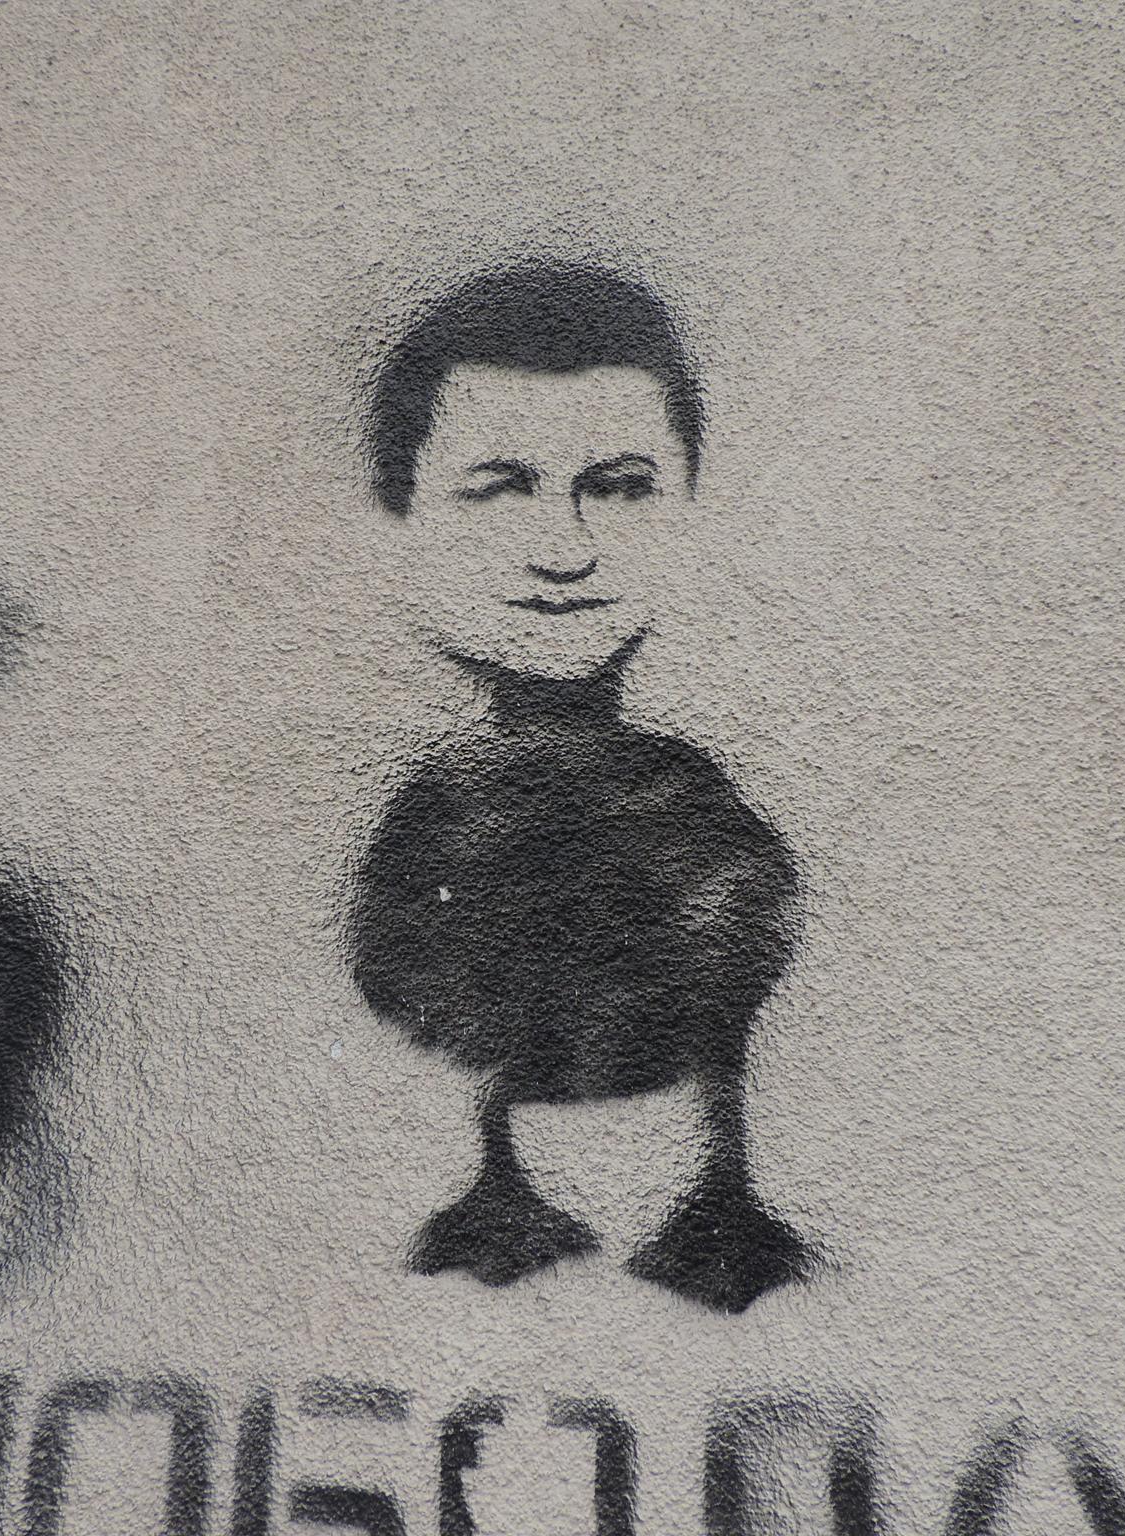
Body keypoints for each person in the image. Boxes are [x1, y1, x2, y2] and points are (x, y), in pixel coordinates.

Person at [345, 261, 821, 1314]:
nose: (563, 551)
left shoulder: (695, 798)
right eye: (499, 488)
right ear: (400, 513)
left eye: (618, 487)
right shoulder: (427, 817)